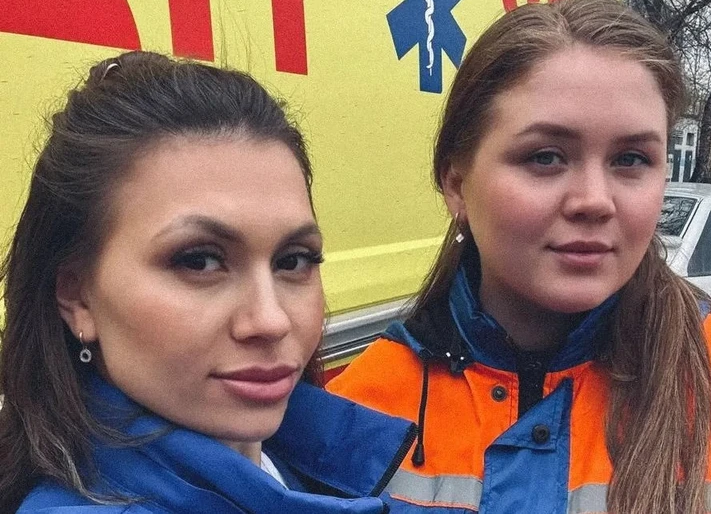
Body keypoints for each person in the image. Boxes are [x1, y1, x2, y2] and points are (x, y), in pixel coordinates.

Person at [327, 0, 711, 513]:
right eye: (545, 157)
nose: (594, 201)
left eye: (631, 159)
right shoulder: (354, 411)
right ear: (456, 184)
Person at [0, 51, 415, 513]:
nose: (271, 320)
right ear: (77, 296)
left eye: (294, 260)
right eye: (198, 262)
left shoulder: (310, 458)